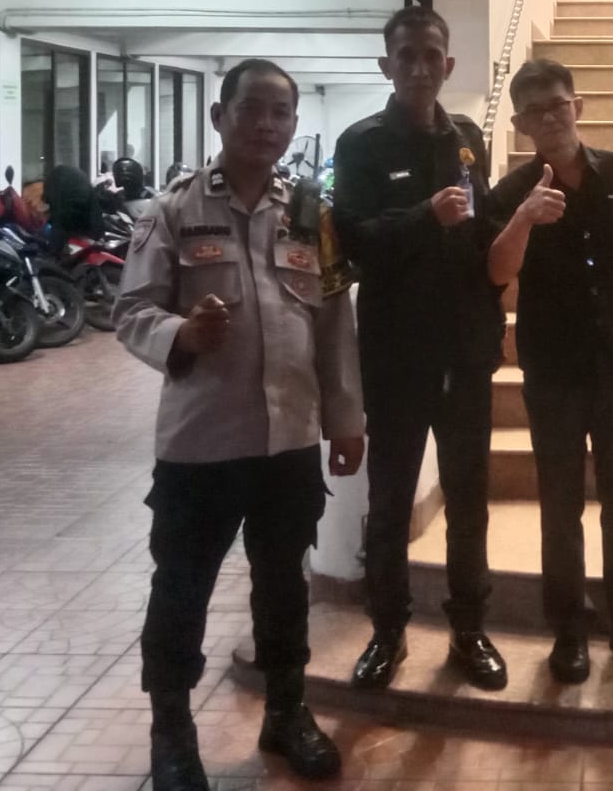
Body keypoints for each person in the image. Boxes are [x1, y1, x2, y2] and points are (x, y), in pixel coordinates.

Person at [115, 58, 365, 791]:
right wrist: (181, 335)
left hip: (290, 440)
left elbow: (334, 322)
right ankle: (171, 732)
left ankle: (286, 712)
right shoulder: (171, 211)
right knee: (182, 588)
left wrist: (346, 418)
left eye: (280, 112)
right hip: (203, 443)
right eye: (251, 108)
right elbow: (131, 311)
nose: (266, 124)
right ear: (219, 117)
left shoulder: (312, 213)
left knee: (283, 585)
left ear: (293, 125)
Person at [487, 58, 613, 683]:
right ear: (521, 124)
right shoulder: (510, 192)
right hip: (553, 368)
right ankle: (569, 631)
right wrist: (525, 217)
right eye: (535, 111)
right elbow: (496, 272)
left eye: (558, 105)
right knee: (561, 503)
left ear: (577, 106)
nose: (550, 118)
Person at [332, 6, 508, 692]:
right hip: (396, 356)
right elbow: (354, 243)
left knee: (469, 499)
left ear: (448, 63)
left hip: (465, 354)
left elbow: (480, 231)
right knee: (390, 500)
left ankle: (469, 629)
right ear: (387, 64)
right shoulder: (361, 144)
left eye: (431, 55)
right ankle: (388, 632)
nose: (419, 67)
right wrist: (423, 217)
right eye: (405, 55)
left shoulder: (467, 138)